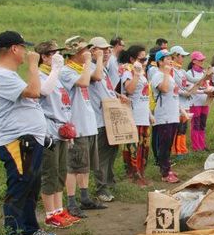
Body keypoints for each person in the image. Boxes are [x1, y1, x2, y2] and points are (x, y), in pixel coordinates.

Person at [0, 31, 57, 235]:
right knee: (18, 188)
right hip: (17, 142)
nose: (27, 53)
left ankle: (29, 229)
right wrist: (34, 66)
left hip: (30, 140)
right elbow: (35, 91)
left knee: (30, 186)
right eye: (24, 48)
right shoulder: (0, 75)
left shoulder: (10, 75)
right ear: (15, 49)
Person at [60, 36, 106, 217]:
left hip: (89, 124)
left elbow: (98, 76)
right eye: (84, 50)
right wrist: (89, 61)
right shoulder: (66, 71)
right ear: (75, 53)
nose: (88, 53)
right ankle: (71, 201)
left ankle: (85, 197)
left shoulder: (82, 68)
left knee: (85, 165)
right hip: (76, 126)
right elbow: (84, 82)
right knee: (74, 166)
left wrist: (99, 59)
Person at [35, 40, 79, 228]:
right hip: (49, 130)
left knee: (61, 171)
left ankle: (60, 210)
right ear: (44, 57)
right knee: (50, 172)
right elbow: (44, 93)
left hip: (62, 129)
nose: (57, 57)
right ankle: (50, 213)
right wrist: (54, 71)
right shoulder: (39, 75)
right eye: (52, 54)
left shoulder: (57, 76)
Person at [89, 36, 124, 203]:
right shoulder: (90, 67)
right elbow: (95, 79)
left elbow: (108, 88)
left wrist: (118, 96)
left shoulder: (102, 68)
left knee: (111, 153)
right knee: (102, 156)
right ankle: (101, 187)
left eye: (107, 50)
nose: (106, 53)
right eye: (102, 50)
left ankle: (110, 182)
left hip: (110, 118)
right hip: (98, 120)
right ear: (93, 51)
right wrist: (99, 59)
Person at [121, 45, 152, 186]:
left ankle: (141, 173)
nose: (145, 61)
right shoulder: (128, 73)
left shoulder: (143, 73)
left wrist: (150, 114)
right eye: (142, 58)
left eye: (146, 58)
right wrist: (137, 74)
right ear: (132, 59)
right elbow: (130, 90)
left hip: (143, 115)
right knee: (133, 147)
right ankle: (133, 175)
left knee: (143, 147)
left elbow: (144, 95)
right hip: (133, 115)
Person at [151, 50, 181, 182]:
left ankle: (168, 168)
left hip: (173, 114)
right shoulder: (157, 75)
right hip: (164, 115)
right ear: (160, 61)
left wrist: (182, 112)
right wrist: (166, 74)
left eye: (170, 58)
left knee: (169, 144)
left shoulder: (170, 76)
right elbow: (163, 89)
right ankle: (164, 172)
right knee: (164, 144)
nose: (170, 60)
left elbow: (174, 94)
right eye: (167, 58)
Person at [186, 51, 214, 151]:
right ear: (194, 61)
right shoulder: (189, 73)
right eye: (200, 60)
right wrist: (204, 92)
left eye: (203, 59)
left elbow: (208, 85)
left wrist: (212, 90)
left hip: (205, 102)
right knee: (196, 124)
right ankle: (196, 146)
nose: (202, 61)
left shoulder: (204, 72)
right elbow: (191, 89)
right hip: (195, 103)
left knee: (203, 124)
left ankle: (202, 144)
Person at [170, 45, 192, 158]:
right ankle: (176, 150)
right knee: (178, 128)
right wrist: (184, 93)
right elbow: (173, 87)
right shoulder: (171, 71)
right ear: (174, 56)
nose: (183, 59)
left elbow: (188, 83)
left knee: (183, 127)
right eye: (181, 56)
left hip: (186, 103)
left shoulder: (182, 71)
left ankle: (183, 149)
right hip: (177, 103)